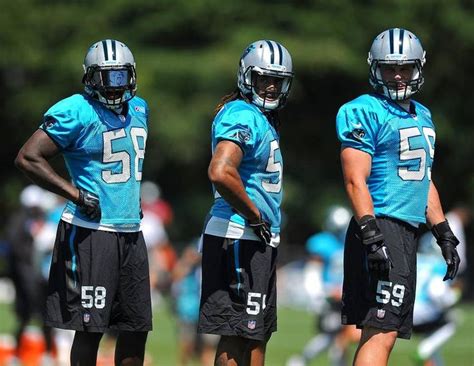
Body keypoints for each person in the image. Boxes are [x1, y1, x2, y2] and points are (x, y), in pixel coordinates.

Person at [15, 39, 151, 366]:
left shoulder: (139, 108)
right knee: (91, 327)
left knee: (136, 328)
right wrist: (75, 193)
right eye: (105, 76)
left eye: (119, 76)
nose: (113, 85)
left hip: (131, 231)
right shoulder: (75, 110)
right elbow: (28, 158)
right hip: (91, 232)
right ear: (90, 77)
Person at [335, 28, 461, 366]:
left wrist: (443, 232)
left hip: (405, 230)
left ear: (418, 67)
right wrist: (370, 232)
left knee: (385, 330)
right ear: (375, 68)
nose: (397, 75)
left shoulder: (423, 114)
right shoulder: (364, 109)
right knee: (382, 329)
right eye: (389, 67)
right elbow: (354, 179)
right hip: (381, 224)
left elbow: (422, 179)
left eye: (404, 67)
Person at [197, 40, 294, 366]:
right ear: (245, 76)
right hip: (238, 233)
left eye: (277, 80)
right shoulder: (241, 114)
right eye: (263, 77)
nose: (270, 86)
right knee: (237, 332)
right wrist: (254, 215)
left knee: (255, 333)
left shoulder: (261, 118)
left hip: (253, 236)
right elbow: (221, 171)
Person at [412, 235, 461, 366]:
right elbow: (436, 291)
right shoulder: (438, 264)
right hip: (422, 314)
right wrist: (453, 297)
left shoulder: (416, 259)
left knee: (431, 334)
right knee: (452, 320)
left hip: (406, 312)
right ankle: (424, 350)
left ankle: (433, 360)